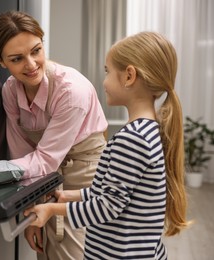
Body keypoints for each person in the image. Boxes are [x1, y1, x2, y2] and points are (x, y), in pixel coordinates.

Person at [24, 31, 191, 259]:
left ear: (129, 76)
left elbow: (108, 205)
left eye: (107, 71)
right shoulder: (148, 131)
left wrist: (52, 209)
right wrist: (69, 196)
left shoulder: (132, 139)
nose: (104, 81)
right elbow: (111, 192)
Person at [0, 11, 108, 260]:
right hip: (43, 169)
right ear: (0, 61)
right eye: (17, 58)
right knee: (45, 252)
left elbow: (43, 160)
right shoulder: (10, 91)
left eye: (36, 50)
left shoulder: (70, 92)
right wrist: (32, 213)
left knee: (72, 252)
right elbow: (22, 152)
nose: (31, 65)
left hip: (83, 171)